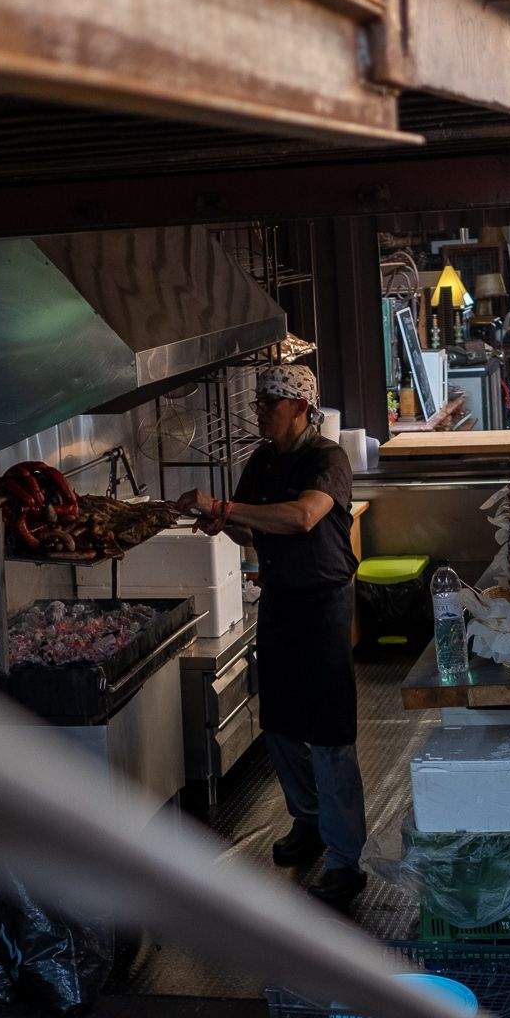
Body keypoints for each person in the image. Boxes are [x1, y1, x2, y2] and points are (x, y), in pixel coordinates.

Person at [179, 364, 368, 910]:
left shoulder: (326, 459)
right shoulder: (262, 460)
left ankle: (344, 861)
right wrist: (223, 522)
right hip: (280, 599)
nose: (260, 409)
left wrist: (226, 508)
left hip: (325, 603)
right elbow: (251, 527)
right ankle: (306, 820)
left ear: (302, 408)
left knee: (331, 735)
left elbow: (305, 516)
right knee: (281, 723)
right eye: (260, 401)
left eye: (271, 402)